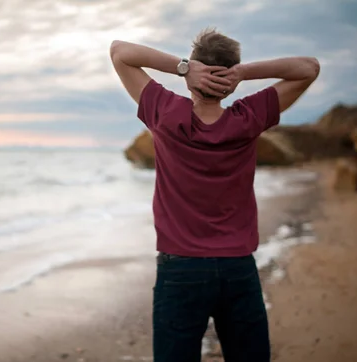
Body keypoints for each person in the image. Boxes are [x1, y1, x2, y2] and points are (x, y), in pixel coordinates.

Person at [109, 28, 320, 362]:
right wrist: (243, 73)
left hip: (180, 268)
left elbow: (120, 51)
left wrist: (182, 67)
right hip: (238, 267)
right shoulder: (248, 118)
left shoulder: (166, 112)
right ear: (229, 81)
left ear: (193, 72)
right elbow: (309, 68)